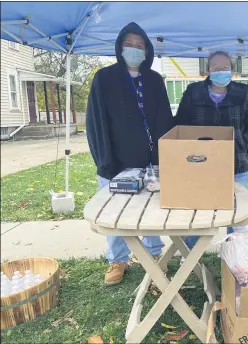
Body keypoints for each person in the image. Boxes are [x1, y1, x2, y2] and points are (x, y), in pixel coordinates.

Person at [86, 22, 174, 286]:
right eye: (130, 45)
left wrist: (166, 155)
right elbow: (96, 123)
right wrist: (105, 160)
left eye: (140, 45)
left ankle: (155, 254)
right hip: (118, 159)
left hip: (152, 158)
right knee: (115, 213)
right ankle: (118, 258)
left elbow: (164, 119)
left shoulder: (154, 80)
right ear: (119, 47)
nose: (135, 49)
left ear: (147, 50)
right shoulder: (105, 78)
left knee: (154, 209)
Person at [175, 51, 248, 249]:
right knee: (196, 210)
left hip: (236, 164)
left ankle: (235, 252)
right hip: (200, 164)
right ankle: (189, 253)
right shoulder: (193, 92)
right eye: (215, 68)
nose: (220, 71)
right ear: (207, 70)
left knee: (235, 213)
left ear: (232, 70)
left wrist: (244, 145)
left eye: (225, 68)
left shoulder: (242, 93)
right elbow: (181, 124)